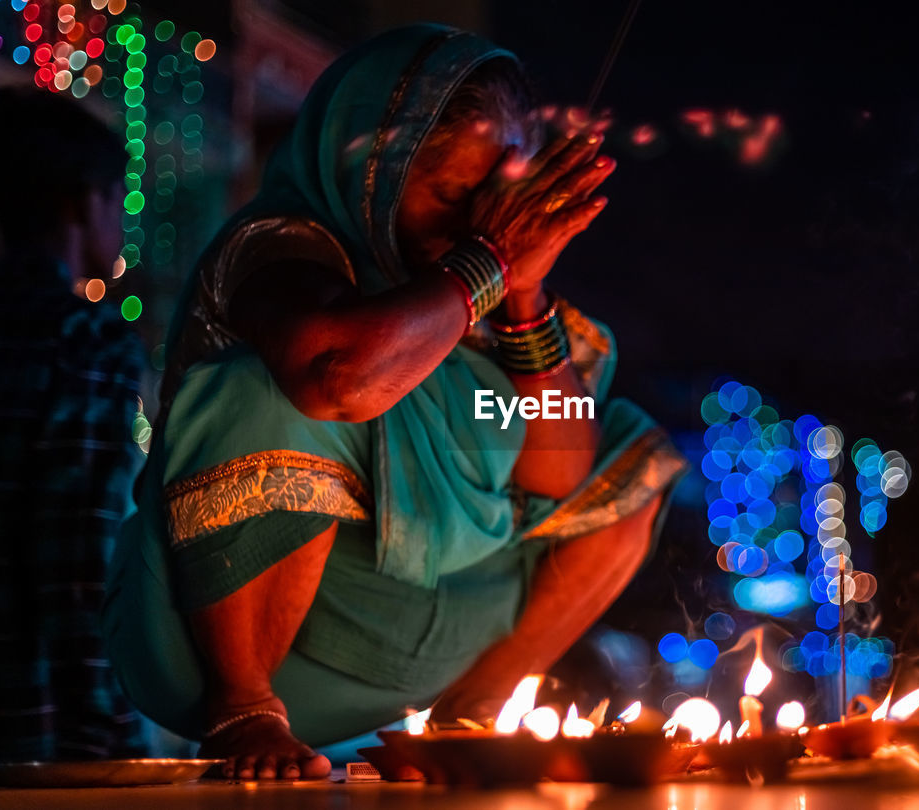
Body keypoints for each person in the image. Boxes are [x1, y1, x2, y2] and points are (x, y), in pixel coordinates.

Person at [103, 23, 686, 780]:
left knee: (624, 445)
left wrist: (524, 294)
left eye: (494, 197)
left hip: (441, 632)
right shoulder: (280, 252)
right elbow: (338, 374)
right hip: (275, 648)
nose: (477, 222)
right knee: (269, 389)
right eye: (451, 192)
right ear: (371, 165)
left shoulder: (486, 292)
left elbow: (559, 474)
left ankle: (469, 717)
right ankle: (242, 707)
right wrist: (489, 262)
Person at [0, 87, 147, 760]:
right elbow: (78, 557)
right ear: (85, 200)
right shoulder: (83, 340)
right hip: (37, 725)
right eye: (120, 198)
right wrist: (111, 734)